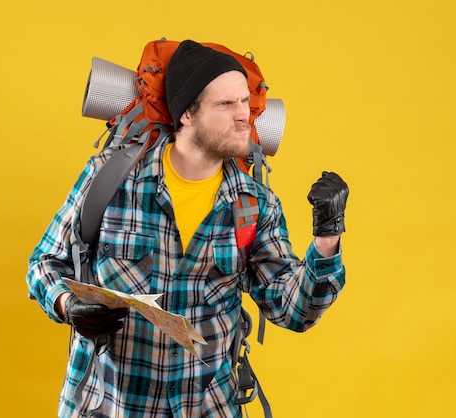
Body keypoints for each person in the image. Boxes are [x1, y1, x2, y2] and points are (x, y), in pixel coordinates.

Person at [26, 39, 349, 418]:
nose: (244, 115)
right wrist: (68, 304)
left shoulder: (254, 204)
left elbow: (293, 311)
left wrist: (327, 240)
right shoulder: (110, 177)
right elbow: (44, 263)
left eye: (245, 101)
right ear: (188, 115)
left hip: (207, 407)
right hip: (111, 404)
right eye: (226, 104)